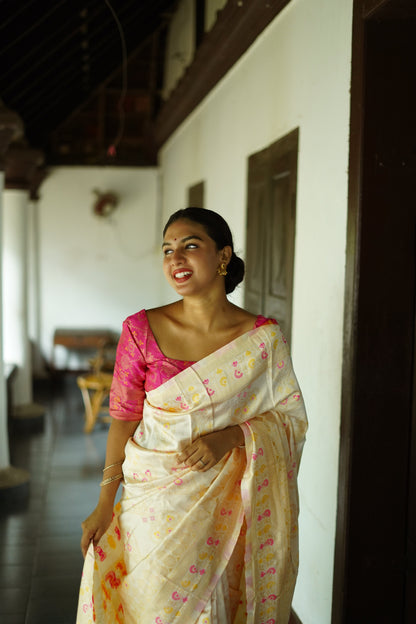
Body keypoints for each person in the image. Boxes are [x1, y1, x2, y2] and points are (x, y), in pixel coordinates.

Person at [77, 207, 307, 624]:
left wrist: (233, 437)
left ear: (223, 256)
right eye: (167, 250)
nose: (175, 259)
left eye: (190, 246)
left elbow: (289, 419)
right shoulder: (140, 329)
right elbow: (124, 419)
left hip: (230, 506)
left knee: (218, 605)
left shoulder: (262, 338)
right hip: (156, 504)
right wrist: (104, 502)